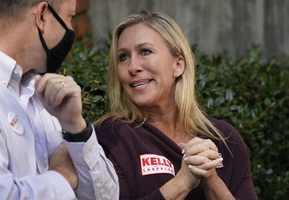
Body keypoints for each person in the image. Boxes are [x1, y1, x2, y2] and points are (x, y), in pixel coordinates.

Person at [95, 11, 258, 200]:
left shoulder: (224, 138)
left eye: (145, 51)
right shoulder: (110, 136)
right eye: (123, 57)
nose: (132, 67)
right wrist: (182, 182)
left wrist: (211, 178)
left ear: (178, 65)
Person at [0, 0, 118, 199]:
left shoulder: (40, 92)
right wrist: (62, 176)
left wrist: (75, 128)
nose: (71, 30)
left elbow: (106, 195)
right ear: (41, 15)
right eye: (70, 17)